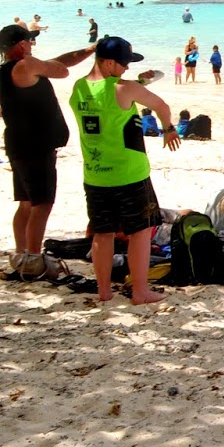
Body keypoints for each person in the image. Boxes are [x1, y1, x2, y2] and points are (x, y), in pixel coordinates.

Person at [72, 36, 181, 304]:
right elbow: (162, 106)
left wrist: (137, 84)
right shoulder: (125, 88)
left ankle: (104, 291)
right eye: (123, 63)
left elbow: (106, 104)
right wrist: (168, 129)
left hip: (96, 173)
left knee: (103, 232)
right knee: (140, 232)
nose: (126, 68)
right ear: (108, 62)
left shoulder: (78, 88)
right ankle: (140, 291)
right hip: (130, 174)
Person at [1, 24, 95, 280]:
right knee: (42, 204)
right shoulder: (26, 66)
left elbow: (60, 61)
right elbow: (62, 71)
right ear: (21, 44)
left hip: (19, 143)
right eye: (29, 41)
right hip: (35, 145)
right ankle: (33, 259)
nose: (32, 45)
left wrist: (89, 50)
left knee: (26, 203)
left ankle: (21, 255)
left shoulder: (9, 70)